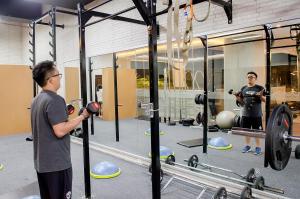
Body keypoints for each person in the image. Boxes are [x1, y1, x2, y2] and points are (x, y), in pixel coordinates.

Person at [31, 60, 90, 199]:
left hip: (42, 164)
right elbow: (60, 130)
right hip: (57, 165)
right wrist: (82, 116)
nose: (60, 78)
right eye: (59, 75)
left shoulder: (36, 100)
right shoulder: (55, 100)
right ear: (51, 80)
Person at [235, 71, 266, 155]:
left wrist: (260, 96)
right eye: (248, 77)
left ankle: (258, 147)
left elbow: (265, 100)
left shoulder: (260, 88)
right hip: (245, 114)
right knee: (246, 131)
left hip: (256, 114)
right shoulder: (243, 88)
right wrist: (238, 98)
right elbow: (241, 103)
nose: (250, 78)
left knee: (257, 132)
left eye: (252, 77)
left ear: (255, 78)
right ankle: (247, 146)